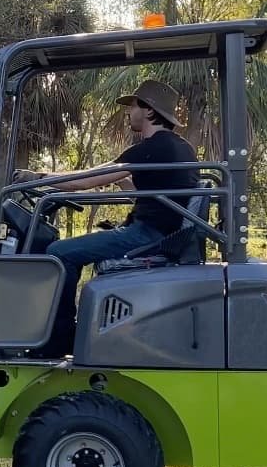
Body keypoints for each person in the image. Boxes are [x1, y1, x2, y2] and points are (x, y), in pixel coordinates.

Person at [22, 79, 198, 358]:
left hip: (148, 235)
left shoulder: (152, 148)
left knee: (58, 253)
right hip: (166, 234)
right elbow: (160, 197)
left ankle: (59, 339)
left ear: (149, 111)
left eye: (133, 106)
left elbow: (85, 180)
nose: (128, 112)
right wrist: (129, 187)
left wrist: (38, 178)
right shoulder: (181, 147)